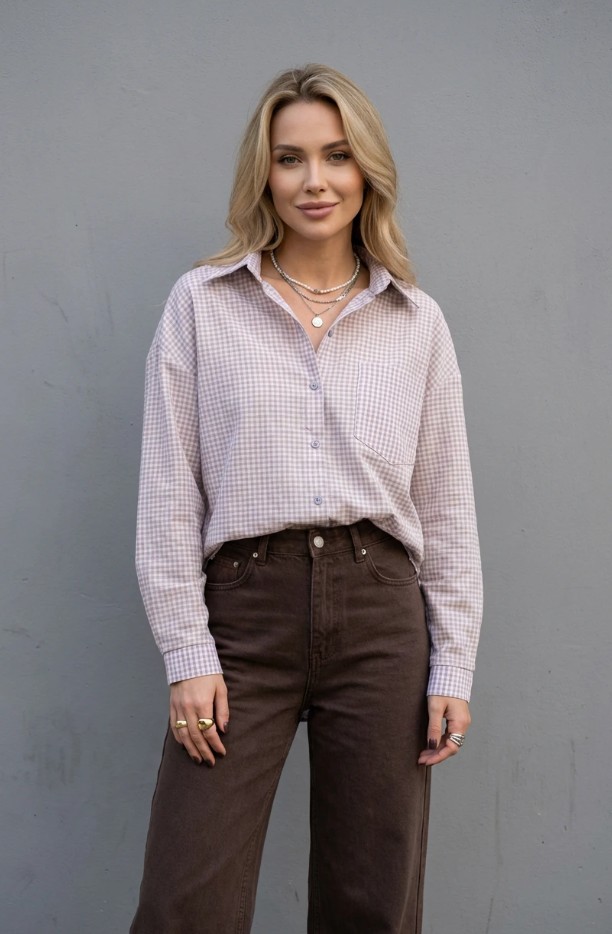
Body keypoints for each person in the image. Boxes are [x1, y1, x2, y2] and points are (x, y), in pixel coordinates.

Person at [131, 63, 483, 934]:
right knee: (185, 903)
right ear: (265, 174)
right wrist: (187, 651)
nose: (314, 181)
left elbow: (445, 508)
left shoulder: (417, 322)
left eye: (336, 156)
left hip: (381, 616)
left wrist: (453, 665)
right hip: (243, 615)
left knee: (372, 905)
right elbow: (169, 493)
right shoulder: (202, 305)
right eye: (290, 159)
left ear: (368, 171)